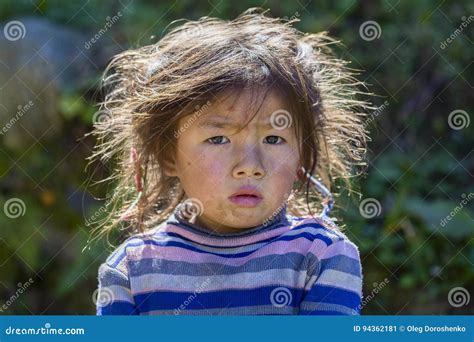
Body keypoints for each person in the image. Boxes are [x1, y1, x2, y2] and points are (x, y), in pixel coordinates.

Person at [90, 8, 370, 315]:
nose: (250, 165)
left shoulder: (321, 257)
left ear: (301, 154)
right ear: (168, 155)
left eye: (274, 139)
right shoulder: (132, 271)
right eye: (218, 139)